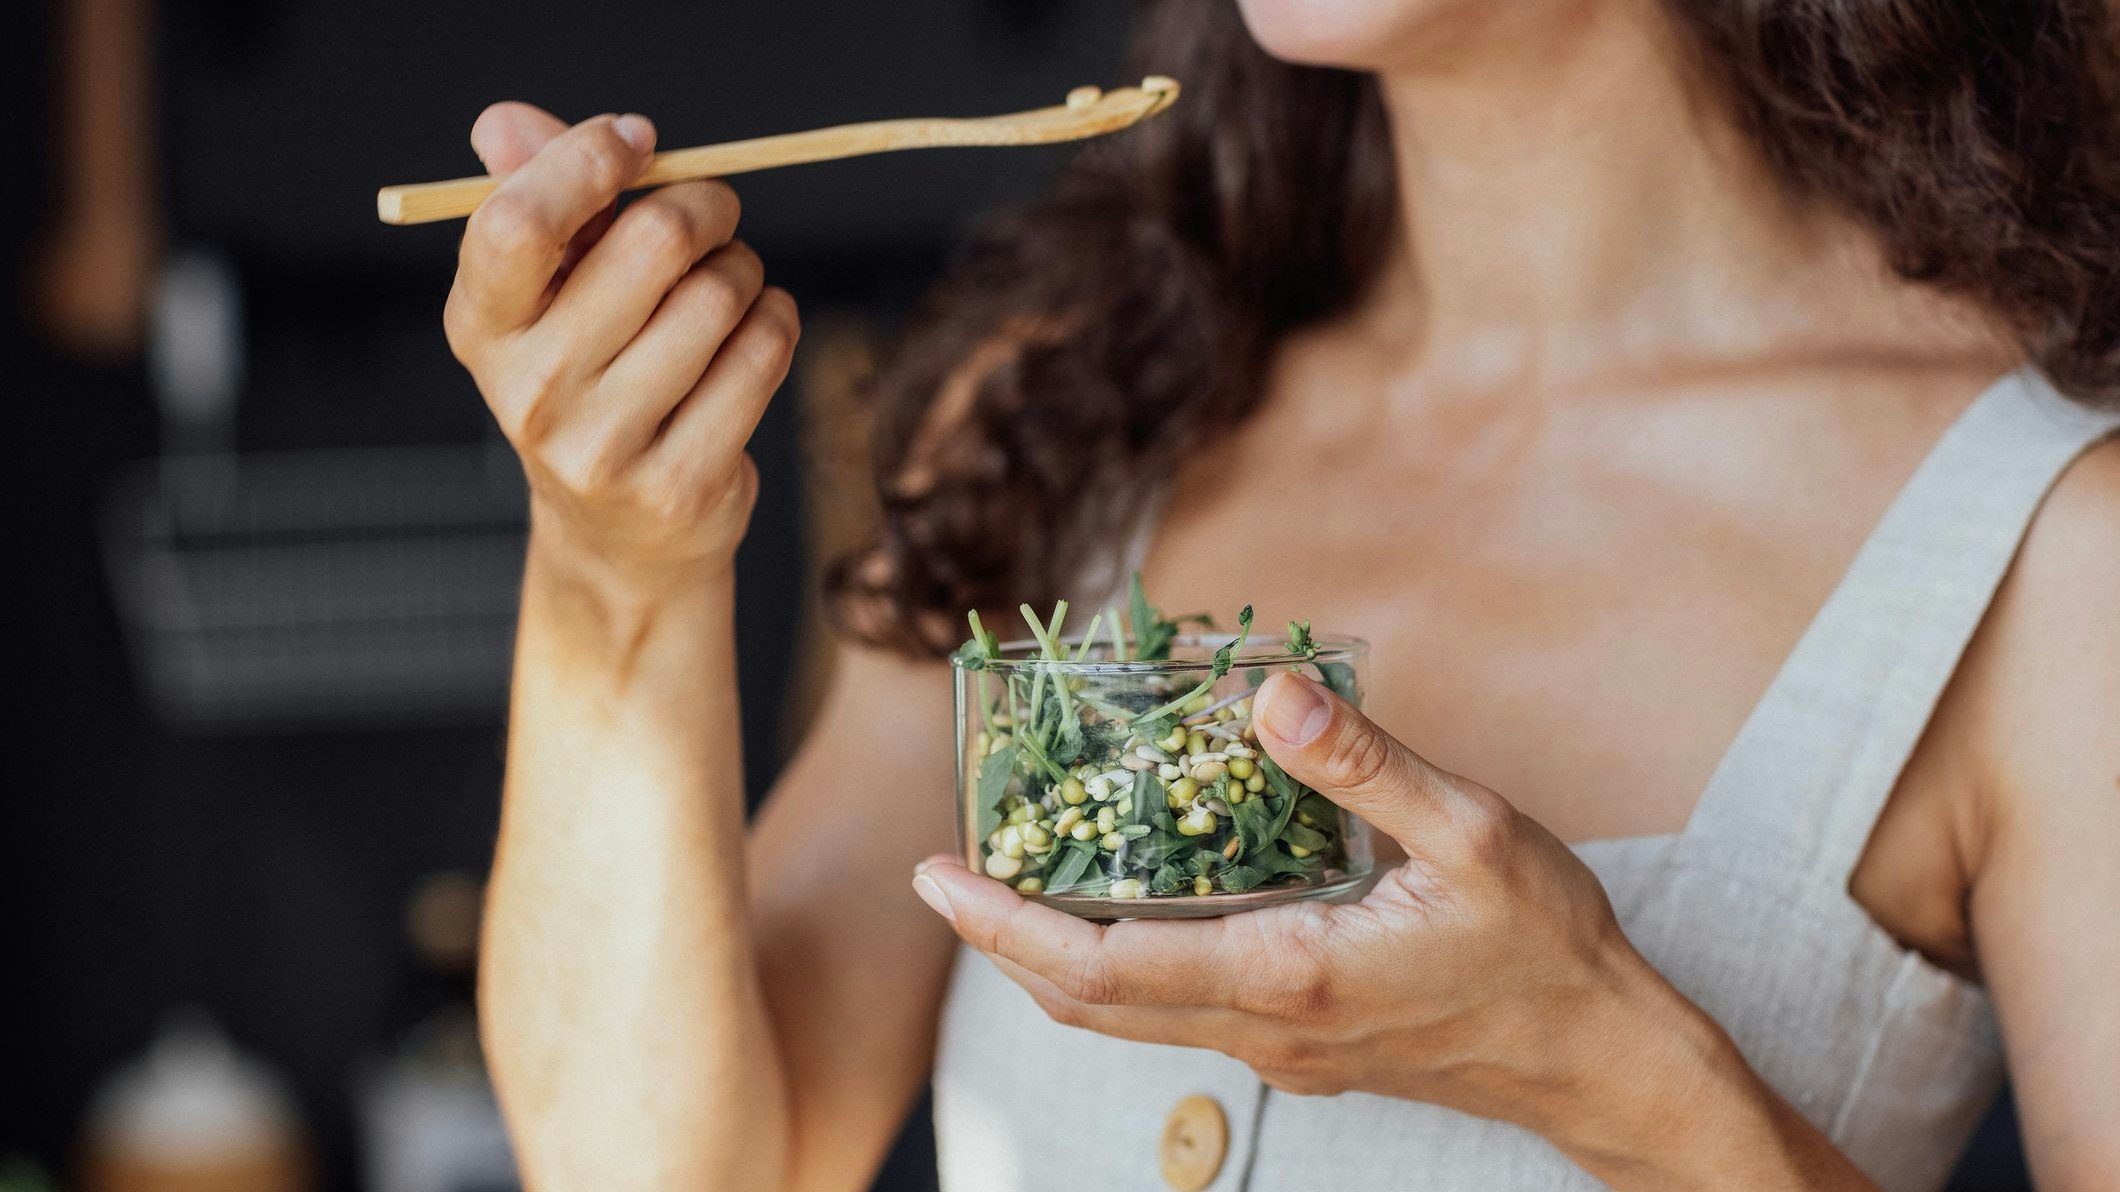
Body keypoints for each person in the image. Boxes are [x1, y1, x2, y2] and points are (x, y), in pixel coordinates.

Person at [439, 1, 2120, 1188]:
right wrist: (618, 576)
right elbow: (657, 1163)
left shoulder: (2049, 542)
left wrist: (1617, 1077)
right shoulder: (1068, 406)